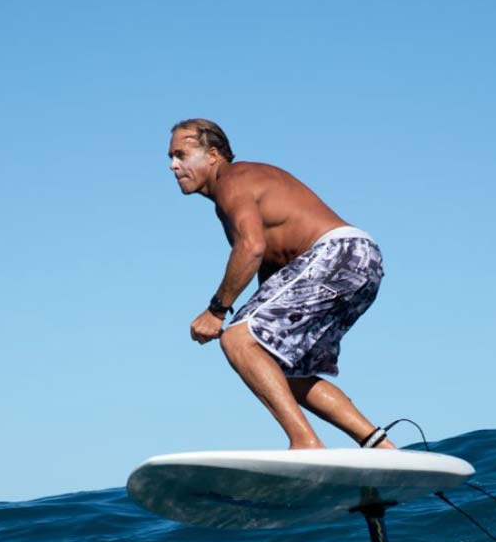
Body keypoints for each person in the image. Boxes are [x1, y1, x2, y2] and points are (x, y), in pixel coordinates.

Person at [168, 118, 396, 451]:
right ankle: (380, 448)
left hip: (339, 252)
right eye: (171, 158)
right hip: (362, 264)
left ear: (213, 155)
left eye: (181, 155)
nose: (174, 166)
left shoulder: (234, 180)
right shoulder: (236, 196)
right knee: (282, 369)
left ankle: (305, 442)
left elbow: (251, 248)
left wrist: (216, 311)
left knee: (237, 339)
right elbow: (273, 277)